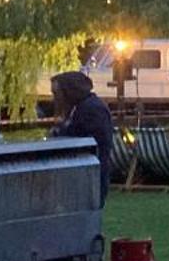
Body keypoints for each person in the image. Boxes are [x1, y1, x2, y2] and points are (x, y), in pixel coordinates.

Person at [49, 70, 118, 203]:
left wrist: (60, 131)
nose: (54, 99)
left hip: (90, 177)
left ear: (69, 92)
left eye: (56, 94)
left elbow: (85, 141)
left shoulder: (91, 110)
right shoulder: (82, 108)